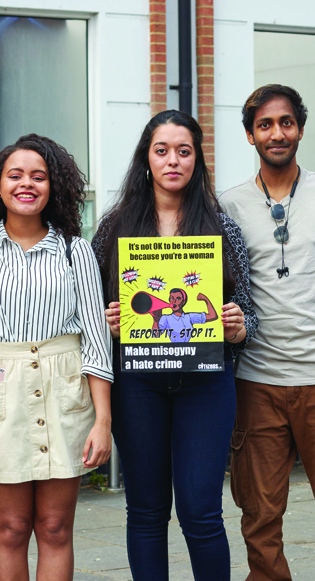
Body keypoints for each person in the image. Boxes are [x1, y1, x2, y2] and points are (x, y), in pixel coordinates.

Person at [93, 109, 255, 581]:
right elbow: (92, 308)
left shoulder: (222, 229)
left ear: (197, 161)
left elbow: (249, 310)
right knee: (145, 511)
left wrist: (239, 326)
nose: (173, 161)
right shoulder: (114, 228)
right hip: (137, 382)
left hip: (205, 385)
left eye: (184, 151)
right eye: (162, 150)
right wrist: (109, 321)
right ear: (147, 159)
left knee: (201, 512)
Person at [0, 134, 113, 580]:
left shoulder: (75, 250)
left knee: (56, 527)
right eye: (15, 175)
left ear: (52, 187)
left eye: (38, 176)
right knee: (10, 528)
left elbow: (97, 341)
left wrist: (102, 421)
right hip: (2, 398)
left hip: (66, 394)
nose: (27, 184)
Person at [219, 84, 315, 581]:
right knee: (258, 516)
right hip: (257, 378)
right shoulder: (228, 204)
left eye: (285, 122)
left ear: (300, 128)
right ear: (249, 134)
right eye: (265, 124)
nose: (276, 133)